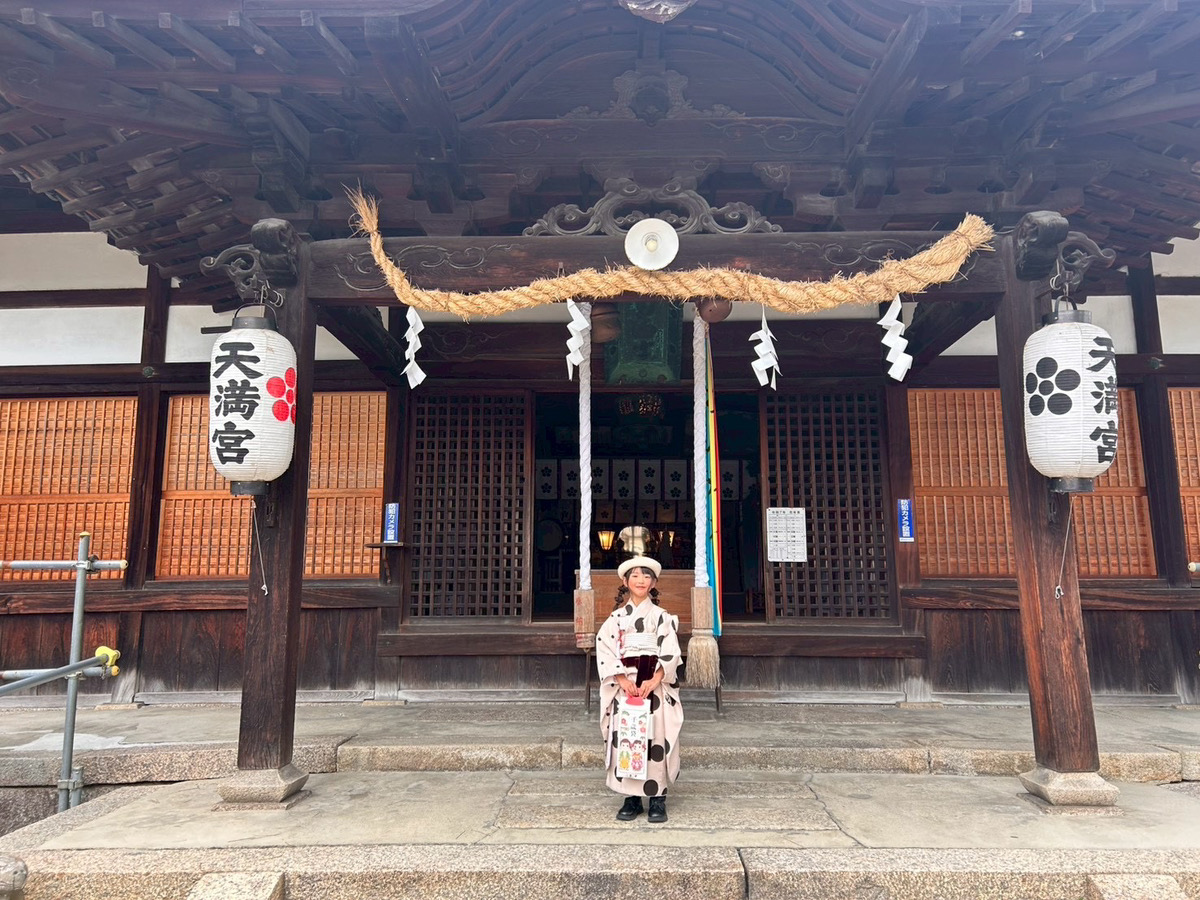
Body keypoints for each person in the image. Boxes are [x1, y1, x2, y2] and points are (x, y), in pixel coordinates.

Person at [595, 555, 683, 823]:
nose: (641, 580)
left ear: (654, 582)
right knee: (628, 738)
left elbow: (671, 651)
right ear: (625, 581)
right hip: (626, 689)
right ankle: (631, 797)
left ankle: (657, 798)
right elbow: (605, 649)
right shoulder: (616, 618)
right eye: (635, 575)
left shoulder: (662, 617)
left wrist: (656, 679)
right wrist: (622, 681)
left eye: (646, 576)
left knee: (655, 739)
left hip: (652, 689)